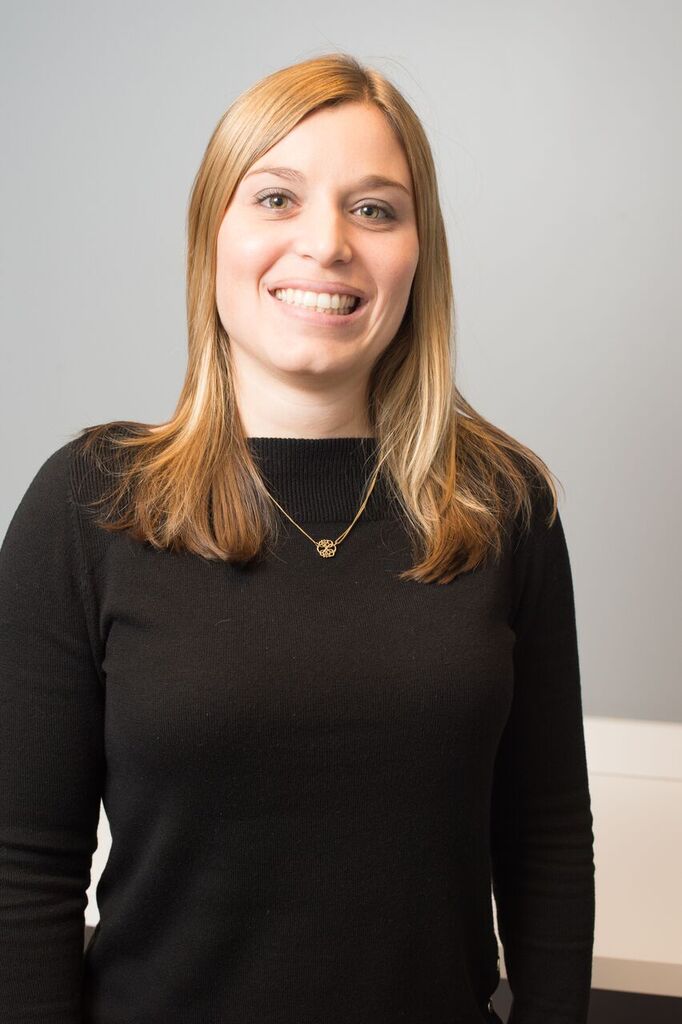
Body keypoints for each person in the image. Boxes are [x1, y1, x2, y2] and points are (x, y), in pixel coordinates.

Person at [0, 52, 595, 1024]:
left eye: (375, 209)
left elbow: (546, 838)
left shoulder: (500, 504)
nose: (326, 244)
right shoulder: (90, 501)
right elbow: (21, 870)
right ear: (213, 239)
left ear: (417, 252)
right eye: (276, 198)